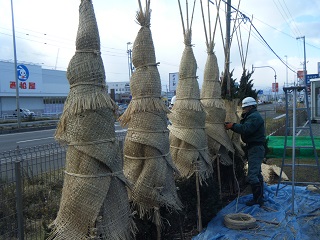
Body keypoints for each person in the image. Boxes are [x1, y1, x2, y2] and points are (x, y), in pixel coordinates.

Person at [224, 97, 266, 206]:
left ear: (251, 106)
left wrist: (232, 126)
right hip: (255, 147)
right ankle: (260, 196)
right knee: (257, 173)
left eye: (245, 107)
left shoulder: (254, 117)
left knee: (252, 175)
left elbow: (245, 129)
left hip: (255, 148)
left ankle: (257, 199)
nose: (244, 110)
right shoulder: (252, 116)